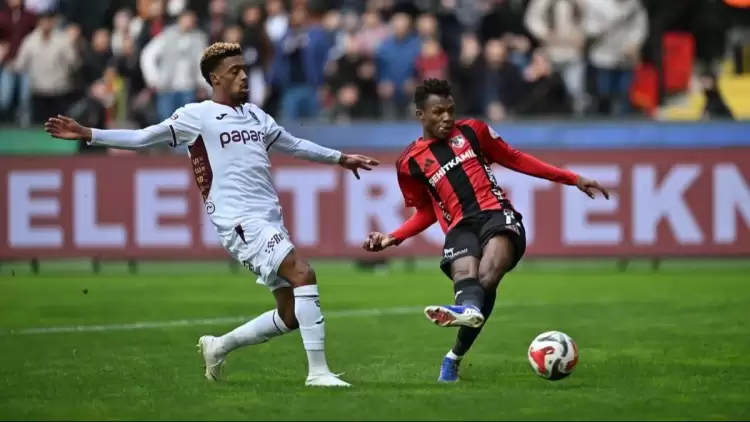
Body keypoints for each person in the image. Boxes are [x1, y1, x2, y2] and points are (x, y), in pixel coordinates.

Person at [44, 42, 378, 388]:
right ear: (215, 78)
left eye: (244, 69)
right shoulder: (197, 116)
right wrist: (90, 134)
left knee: (291, 314)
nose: (243, 76)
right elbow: (145, 137)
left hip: (268, 219)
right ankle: (318, 373)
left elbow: (293, 144)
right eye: (235, 71)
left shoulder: (256, 116)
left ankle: (218, 347)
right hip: (240, 222)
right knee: (303, 273)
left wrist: (340, 158)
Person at [362, 78, 608, 383]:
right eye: (438, 112)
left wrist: (573, 178)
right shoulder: (409, 163)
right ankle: (455, 350)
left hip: (497, 215)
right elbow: (426, 211)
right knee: (469, 282)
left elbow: (515, 159)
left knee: (487, 276)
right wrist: (392, 237)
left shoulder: (473, 131)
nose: (446, 117)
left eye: (450, 110)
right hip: (460, 226)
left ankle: (464, 313)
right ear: (420, 115)